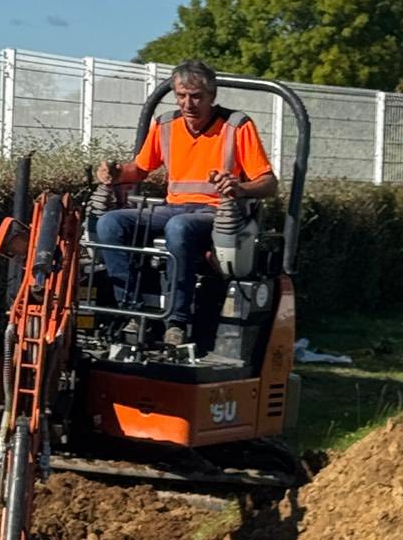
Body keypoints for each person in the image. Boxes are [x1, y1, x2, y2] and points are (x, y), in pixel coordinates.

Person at [94, 60, 278, 346]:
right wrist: (116, 173)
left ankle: (176, 321)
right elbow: (140, 169)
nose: (188, 103)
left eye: (196, 96)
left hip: (216, 213)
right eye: (181, 95)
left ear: (212, 97)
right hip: (172, 209)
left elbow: (269, 183)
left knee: (179, 228)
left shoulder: (236, 126)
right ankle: (131, 310)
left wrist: (239, 188)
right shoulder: (166, 124)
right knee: (109, 223)